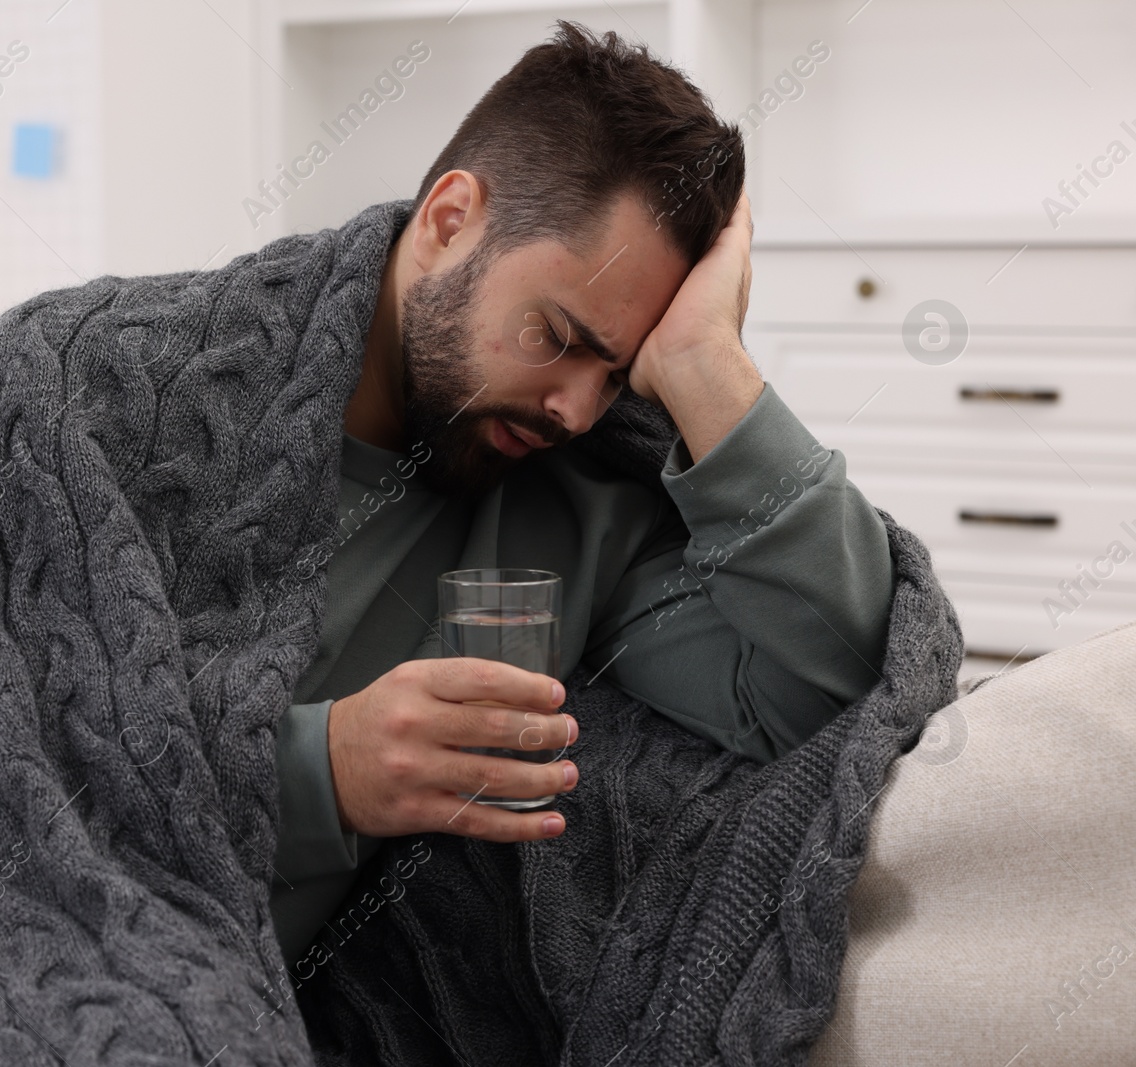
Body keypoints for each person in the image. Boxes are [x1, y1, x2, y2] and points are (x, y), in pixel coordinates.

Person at [270, 22, 895, 971]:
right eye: (557, 335)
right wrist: (328, 770)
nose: (574, 408)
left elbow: (821, 691)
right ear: (449, 222)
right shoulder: (103, 397)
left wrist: (704, 366)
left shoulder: (578, 505)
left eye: (619, 373)